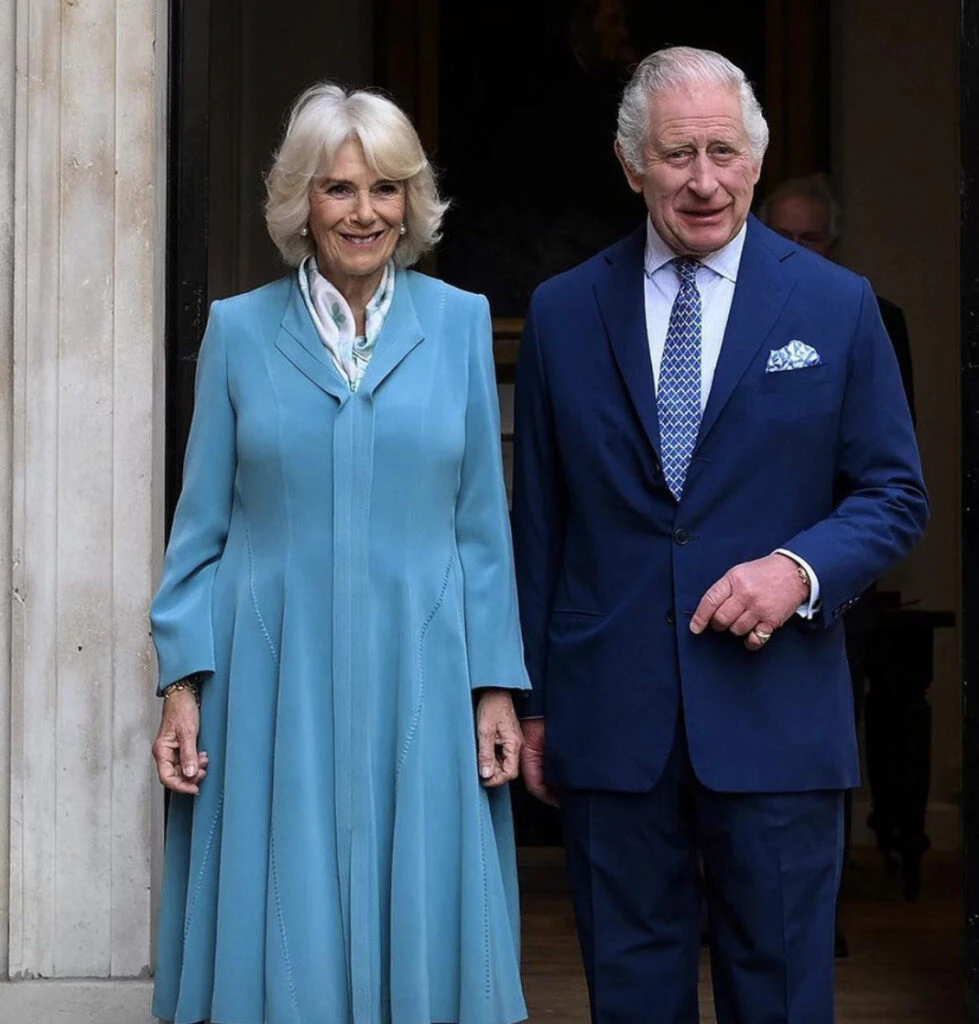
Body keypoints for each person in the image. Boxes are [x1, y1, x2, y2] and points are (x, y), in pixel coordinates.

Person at [512, 46, 927, 1023]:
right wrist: (533, 701)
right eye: (676, 154)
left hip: (777, 719)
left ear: (755, 158)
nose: (702, 179)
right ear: (630, 165)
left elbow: (893, 493)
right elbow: (538, 522)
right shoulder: (566, 314)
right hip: (613, 725)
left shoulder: (836, 305)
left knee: (780, 999)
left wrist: (797, 569)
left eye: (723, 152)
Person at [150, 82, 530, 1024]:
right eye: (337, 189)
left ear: (411, 204)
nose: (364, 212)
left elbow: (483, 526)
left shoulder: (460, 323)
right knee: (284, 917)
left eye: (385, 189)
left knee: (428, 920)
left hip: (424, 664)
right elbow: (200, 530)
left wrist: (495, 687)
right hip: (271, 672)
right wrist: (181, 685)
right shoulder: (239, 330)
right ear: (300, 204)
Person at [759, 173, 920, 956]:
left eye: (809, 238)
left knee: (821, 747)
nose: (793, 251)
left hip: (826, 578)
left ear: (834, 242)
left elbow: (888, 476)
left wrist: (810, 566)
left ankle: (810, 919)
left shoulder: (869, 316)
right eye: (779, 235)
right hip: (715, 581)